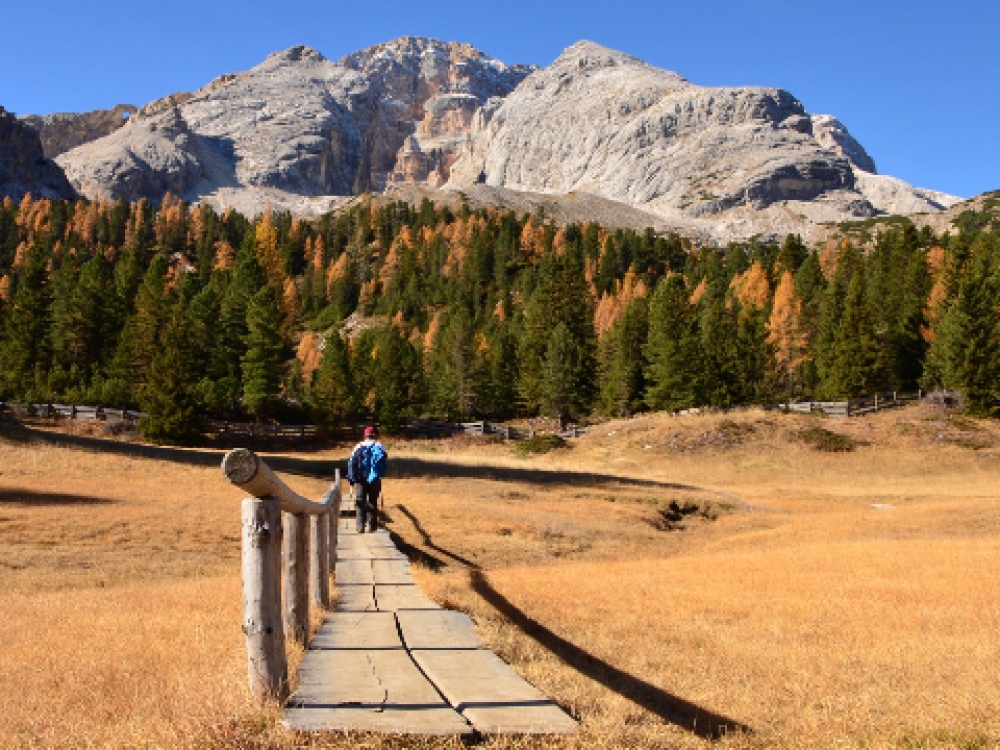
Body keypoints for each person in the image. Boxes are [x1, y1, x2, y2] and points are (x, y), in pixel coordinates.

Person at [347, 426, 388, 533]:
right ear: (375, 435)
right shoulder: (379, 446)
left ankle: (360, 526)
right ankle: (372, 526)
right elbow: (383, 461)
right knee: (373, 501)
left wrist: (351, 479)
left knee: (360, 502)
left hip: (361, 478)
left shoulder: (358, 446)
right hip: (375, 478)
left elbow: (351, 464)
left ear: (365, 435)